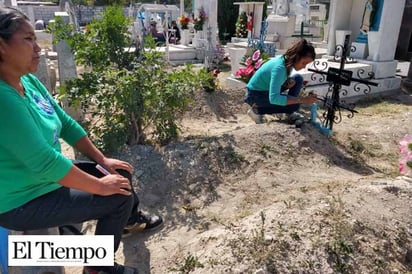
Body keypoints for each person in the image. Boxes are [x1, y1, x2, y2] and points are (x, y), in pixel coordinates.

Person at [0, 7, 162, 274]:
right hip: (21, 201)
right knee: (117, 196)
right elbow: (45, 163)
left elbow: (64, 122)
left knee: (117, 173)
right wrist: (99, 187)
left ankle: (125, 223)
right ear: (2, 47)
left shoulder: (27, 81)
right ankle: (98, 267)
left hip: (44, 183)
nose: (38, 47)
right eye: (27, 39)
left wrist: (101, 161)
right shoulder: (4, 100)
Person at [244, 39, 318, 124]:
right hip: (255, 95)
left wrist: (286, 83)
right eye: (304, 63)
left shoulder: (285, 61)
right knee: (294, 105)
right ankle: (257, 111)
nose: (304, 67)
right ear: (296, 57)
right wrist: (301, 100)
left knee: (297, 78)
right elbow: (274, 98)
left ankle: (289, 111)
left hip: (263, 89)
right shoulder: (280, 69)